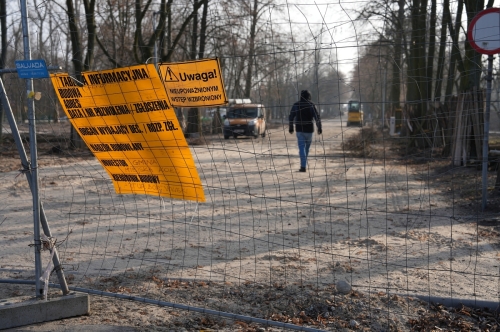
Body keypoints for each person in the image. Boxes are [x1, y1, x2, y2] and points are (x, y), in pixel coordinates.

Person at [288, 90, 322, 172]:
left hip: (299, 130)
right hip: (310, 130)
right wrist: (319, 127)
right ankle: (304, 164)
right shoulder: (311, 105)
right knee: (306, 148)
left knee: (301, 148)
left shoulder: (296, 105)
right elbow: (317, 117)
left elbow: (291, 117)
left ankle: (303, 166)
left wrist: (291, 127)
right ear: (309, 96)